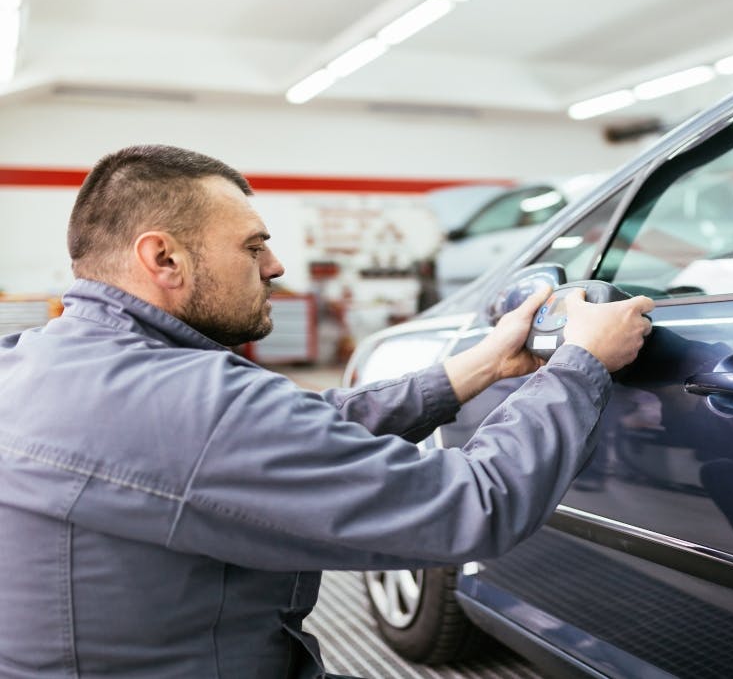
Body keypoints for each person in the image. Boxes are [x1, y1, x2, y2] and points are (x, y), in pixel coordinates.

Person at [0, 144, 654, 678]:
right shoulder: (190, 401)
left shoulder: (36, 360)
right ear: (162, 257)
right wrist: (581, 362)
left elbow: (289, 430)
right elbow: (470, 505)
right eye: (253, 247)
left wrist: (479, 366)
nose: (277, 265)